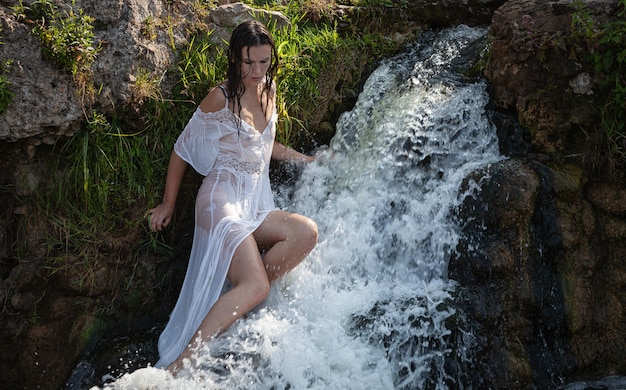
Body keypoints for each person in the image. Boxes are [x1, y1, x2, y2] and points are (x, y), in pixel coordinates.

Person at [147, 20, 318, 373]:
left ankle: (235, 301)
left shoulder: (269, 92)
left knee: (306, 233)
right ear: (235, 60)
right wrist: (168, 203)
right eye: (249, 62)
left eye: (264, 62)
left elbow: (267, 147)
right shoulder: (220, 98)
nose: (256, 71)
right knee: (257, 284)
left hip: (255, 203)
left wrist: (308, 160)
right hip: (220, 199)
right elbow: (182, 149)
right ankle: (181, 363)